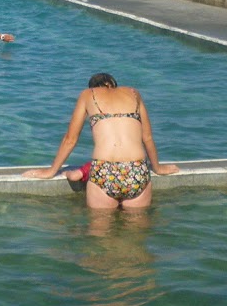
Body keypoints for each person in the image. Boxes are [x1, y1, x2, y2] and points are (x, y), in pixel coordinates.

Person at [24, 73, 178, 210]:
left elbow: (70, 139)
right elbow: (147, 138)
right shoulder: (134, 93)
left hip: (104, 171)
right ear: (112, 84)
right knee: (136, 231)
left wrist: (51, 171)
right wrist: (157, 168)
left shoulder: (88, 94)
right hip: (137, 170)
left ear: (93, 87)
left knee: (100, 230)